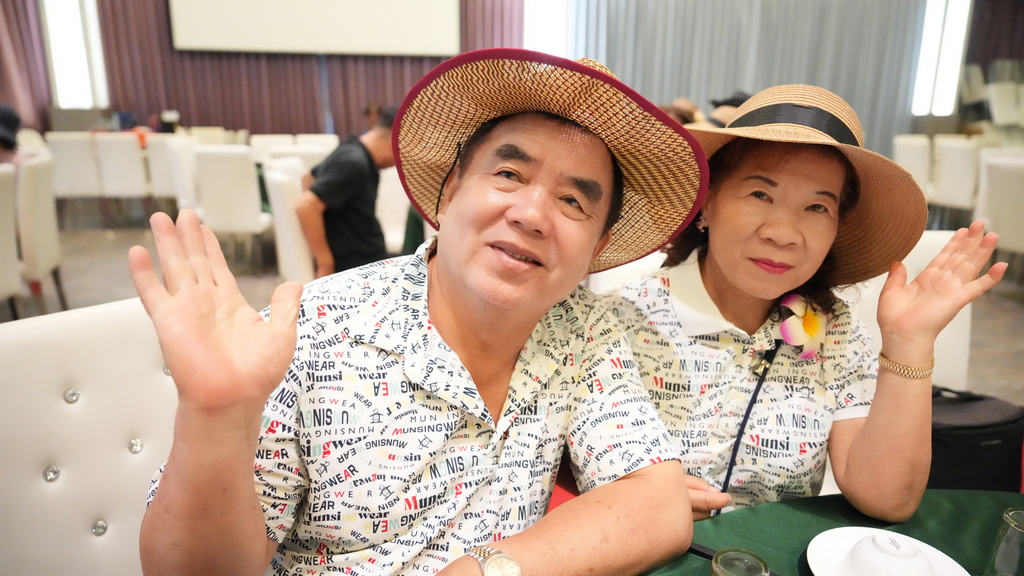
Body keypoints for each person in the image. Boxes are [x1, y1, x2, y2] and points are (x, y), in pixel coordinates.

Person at [130, 48, 707, 576]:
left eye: (573, 200)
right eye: (509, 174)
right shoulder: (309, 336)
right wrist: (216, 420)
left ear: (597, 249)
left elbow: (657, 504)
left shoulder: (582, 326)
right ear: (451, 192)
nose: (532, 214)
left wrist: (485, 571)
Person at [605, 84, 1006, 523]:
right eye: (760, 195)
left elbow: (888, 499)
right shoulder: (622, 318)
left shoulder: (833, 331)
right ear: (707, 201)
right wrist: (629, 490)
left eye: (816, 207)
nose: (783, 233)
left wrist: (909, 344)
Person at [297, 106, 398, 277]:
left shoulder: (351, 149)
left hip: (367, 258)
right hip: (362, 268)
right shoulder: (354, 163)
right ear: (394, 141)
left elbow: (308, 177)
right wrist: (324, 262)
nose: (397, 163)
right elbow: (306, 206)